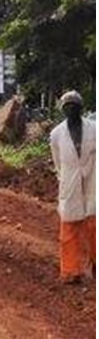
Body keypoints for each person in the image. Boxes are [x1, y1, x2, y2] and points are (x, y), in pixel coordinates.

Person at [49, 90, 95, 283]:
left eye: (74, 106)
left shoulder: (95, 128)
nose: (70, 110)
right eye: (67, 107)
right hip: (69, 183)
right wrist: (66, 177)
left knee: (94, 226)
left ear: (80, 109)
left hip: (93, 182)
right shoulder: (56, 134)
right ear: (62, 110)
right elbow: (57, 161)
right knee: (69, 228)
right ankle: (70, 271)